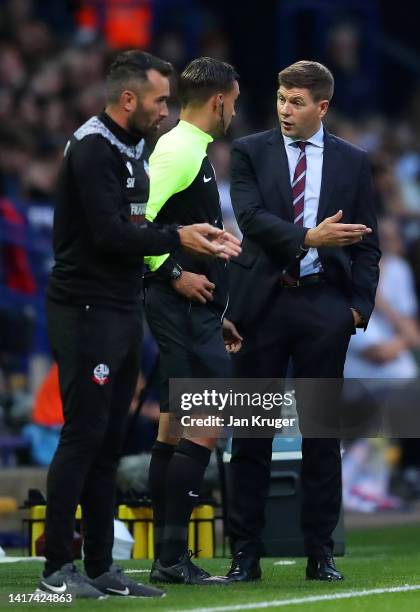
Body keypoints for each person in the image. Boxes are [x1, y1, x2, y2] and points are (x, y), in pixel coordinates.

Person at [38, 50, 240, 600]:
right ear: (129, 99)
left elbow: (133, 228)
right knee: (82, 435)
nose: (165, 110)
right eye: (158, 101)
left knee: (107, 440)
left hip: (121, 307)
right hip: (83, 308)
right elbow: (110, 234)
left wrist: (180, 245)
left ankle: (102, 566)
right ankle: (58, 566)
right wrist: (180, 243)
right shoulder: (92, 149)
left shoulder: (132, 147)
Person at [225, 61, 381, 582]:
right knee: (251, 435)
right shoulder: (249, 150)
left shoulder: (354, 162)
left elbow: (368, 242)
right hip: (263, 305)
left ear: (322, 107)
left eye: (296, 102)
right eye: (280, 98)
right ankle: (244, 555)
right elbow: (249, 219)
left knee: (320, 435)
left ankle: (321, 552)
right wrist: (309, 238)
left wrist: (357, 307)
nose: (284, 110)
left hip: (323, 307)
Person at [143, 57, 242, 585]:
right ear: (221, 100)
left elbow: (175, 224)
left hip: (193, 308)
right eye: (236, 102)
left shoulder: (191, 149)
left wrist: (214, 301)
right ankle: (172, 558)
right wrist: (175, 272)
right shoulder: (180, 150)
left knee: (175, 426)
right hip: (177, 304)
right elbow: (134, 221)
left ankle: (169, 556)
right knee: (204, 426)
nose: (235, 112)